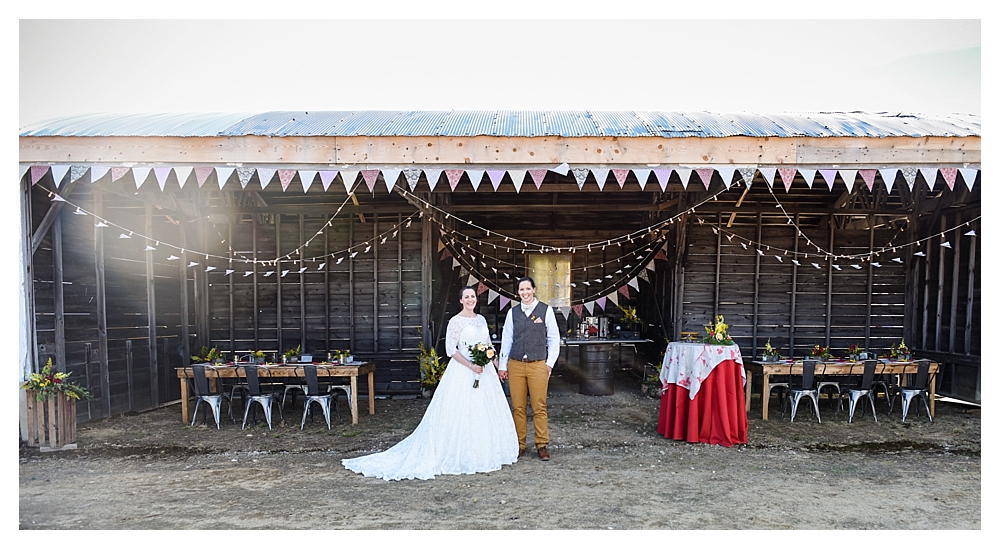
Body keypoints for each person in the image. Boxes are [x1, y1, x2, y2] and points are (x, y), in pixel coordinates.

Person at [342, 286, 518, 480]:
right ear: (461, 300)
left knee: (484, 411)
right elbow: (451, 349)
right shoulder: (455, 321)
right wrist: (470, 365)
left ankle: (484, 449)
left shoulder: (481, 320)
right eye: (466, 297)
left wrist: (496, 363)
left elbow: (488, 346)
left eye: (473, 296)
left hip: (484, 373)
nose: (470, 300)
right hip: (463, 370)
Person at [498, 276, 560, 461]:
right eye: (521, 290)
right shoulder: (513, 313)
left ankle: (542, 445)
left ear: (533, 290)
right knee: (518, 407)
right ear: (518, 292)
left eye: (527, 289)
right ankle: (519, 444)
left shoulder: (545, 310)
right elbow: (507, 339)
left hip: (538, 364)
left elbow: (554, 338)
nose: (525, 293)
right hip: (516, 365)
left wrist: (549, 363)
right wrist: (502, 366)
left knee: (539, 406)